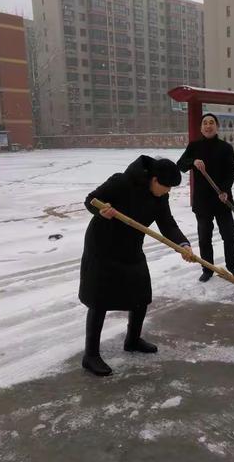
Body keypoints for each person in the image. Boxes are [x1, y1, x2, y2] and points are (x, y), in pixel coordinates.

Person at [79, 155, 193, 376]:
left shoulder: (160, 197)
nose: (167, 191)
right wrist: (102, 210)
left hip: (131, 246)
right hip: (103, 245)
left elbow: (167, 223)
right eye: (165, 186)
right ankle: (90, 355)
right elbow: (91, 200)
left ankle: (132, 340)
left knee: (141, 294)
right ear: (153, 179)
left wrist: (183, 244)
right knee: (99, 298)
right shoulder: (122, 182)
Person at [177, 113, 234, 282]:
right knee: (204, 237)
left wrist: (225, 190)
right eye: (205, 123)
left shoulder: (226, 147)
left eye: (211, 123)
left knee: (229, 235)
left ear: (217, 126)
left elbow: (231, 171)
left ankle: (232, 266)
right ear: (201, 127)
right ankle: (207, 269)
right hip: (203, 201)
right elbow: (180, 164)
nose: (208, 125)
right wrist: (193, 162)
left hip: (222, 198)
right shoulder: (194, 146)